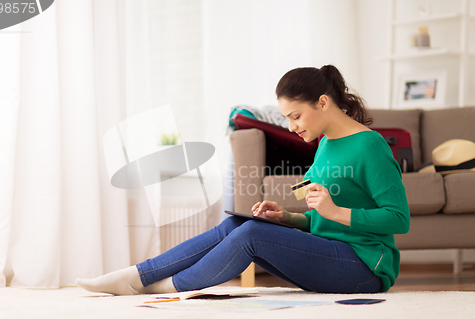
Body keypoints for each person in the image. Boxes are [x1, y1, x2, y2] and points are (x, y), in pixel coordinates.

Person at [76, 65, 410, 295]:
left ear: (323, 102)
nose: (292, 127)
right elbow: (323, 219)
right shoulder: (325, 144)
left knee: (251, 234)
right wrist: (288, 218)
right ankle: (139, 275)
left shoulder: (370, 145)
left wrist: (334, 211)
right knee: (240, 223)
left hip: (364, 269)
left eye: (296, 116)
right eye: (287, 118)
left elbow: (399, 218)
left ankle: (164, 287)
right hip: (334, 254)